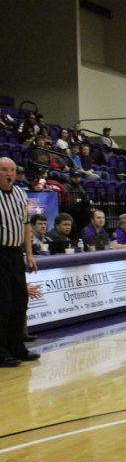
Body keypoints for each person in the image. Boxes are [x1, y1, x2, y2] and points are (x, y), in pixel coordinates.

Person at [0, 157, 40, 367]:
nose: (9, 174)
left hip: (15, 253)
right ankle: (1, 350)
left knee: (20, 299)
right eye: (4, 170)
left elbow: (26, 226)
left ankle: (16, 346)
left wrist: (30, 255)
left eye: (12, 170)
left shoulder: (19, 193)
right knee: (3, 301)